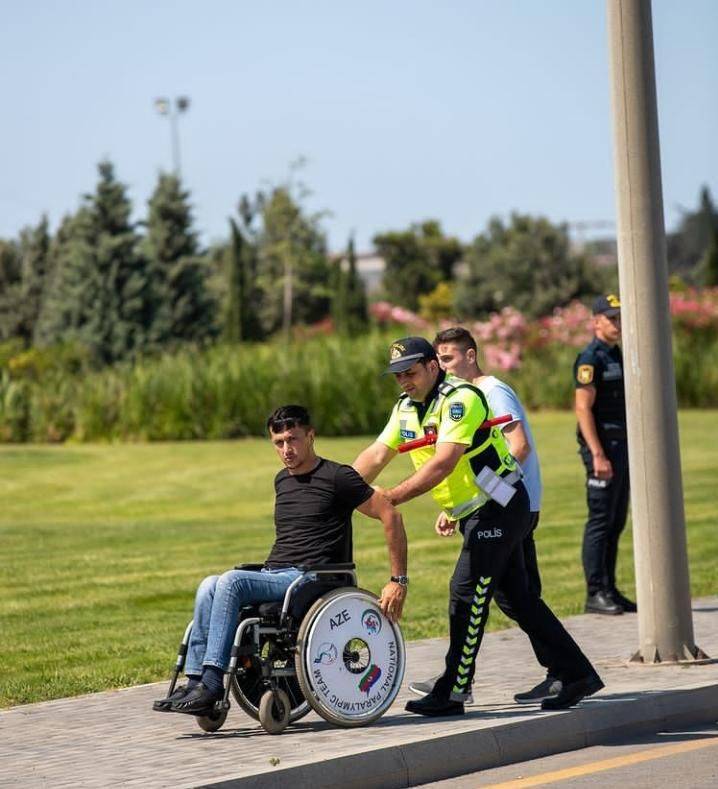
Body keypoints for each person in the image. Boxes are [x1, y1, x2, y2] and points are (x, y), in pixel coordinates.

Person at [353, 337, 602, 717]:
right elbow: (376, 454)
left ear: (433, 367)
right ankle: (577, 673)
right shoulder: (405, 409)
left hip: (500, 506)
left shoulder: (461, 399)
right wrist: (339, 490)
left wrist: (391, 497)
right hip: (478, 509)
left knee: (466, 591)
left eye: (411, 372)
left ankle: (453, 690)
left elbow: (443, 464)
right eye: (398, 375)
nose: (404, 381)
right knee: (517, 598)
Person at [153, 404, 408, 716]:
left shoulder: (338, 477)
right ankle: (196, 682)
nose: (287, 449)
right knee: (209, 585)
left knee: (231, 583)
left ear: (311, 436)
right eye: (279, 442)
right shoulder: (282, 480)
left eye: (293, 439)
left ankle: (211, 682)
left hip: (312, 577)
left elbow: (389, 514)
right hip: (278, 573)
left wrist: (398, 580)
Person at [408, 326, 561, 706]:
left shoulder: (491, 392)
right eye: (439, 360)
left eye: (448, 359)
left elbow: (518, 447)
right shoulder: (462, 396)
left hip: (511, 505)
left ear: (470, 356)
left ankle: (466, 681)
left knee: (502, 595)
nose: (442, 367)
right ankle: (563, 671)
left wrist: (489, 496)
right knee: (516, 596)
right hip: (501, 504)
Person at [574, 294, 635, 615]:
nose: (617, 324)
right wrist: (597, 454)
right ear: (596, 321)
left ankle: (610, 589)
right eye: (611, 318)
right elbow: (583, 408)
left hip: (621, 446)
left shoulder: (617, 354)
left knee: (616, 520)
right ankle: (594, 592)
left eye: (620, 317)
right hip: (602, 448)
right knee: (600, 520)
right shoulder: (590, 358)